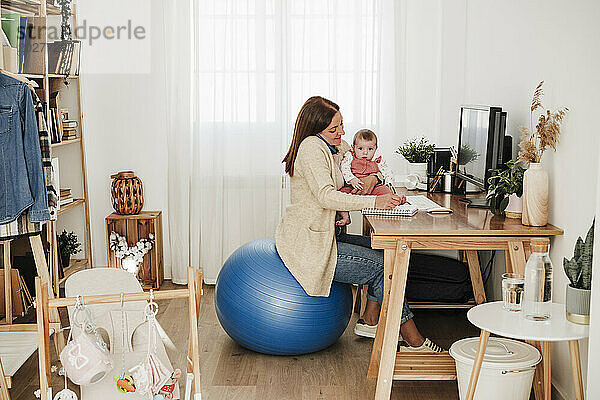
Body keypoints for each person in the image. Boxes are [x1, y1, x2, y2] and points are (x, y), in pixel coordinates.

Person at [276, 96, 442, 352]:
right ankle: (413, 340)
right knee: (385, 265)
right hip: (309, 245)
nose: (342, 133)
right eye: (334, 129)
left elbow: (358, 155)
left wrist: (374, 176)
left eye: (342, 125)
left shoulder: (330, 145)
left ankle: (370, 320)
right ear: (315, 128)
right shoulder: (311, 148)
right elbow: (325, 195)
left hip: (327, 236)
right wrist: (376, 203)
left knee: (390, 252)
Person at [336, 128, 406, 227]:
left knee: (385, 191)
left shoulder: (378, 160)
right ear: (353, 147)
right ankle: (345, 216)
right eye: (360, 149)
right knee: (341, 196)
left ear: (375, 149)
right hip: (353, 186)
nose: (365, 153)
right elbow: (345, 168)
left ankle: (396, 200)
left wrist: (389, 183)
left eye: (370, 149)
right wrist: (351, 179)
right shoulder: (350, 156)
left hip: (374, 187)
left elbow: (387, 172)